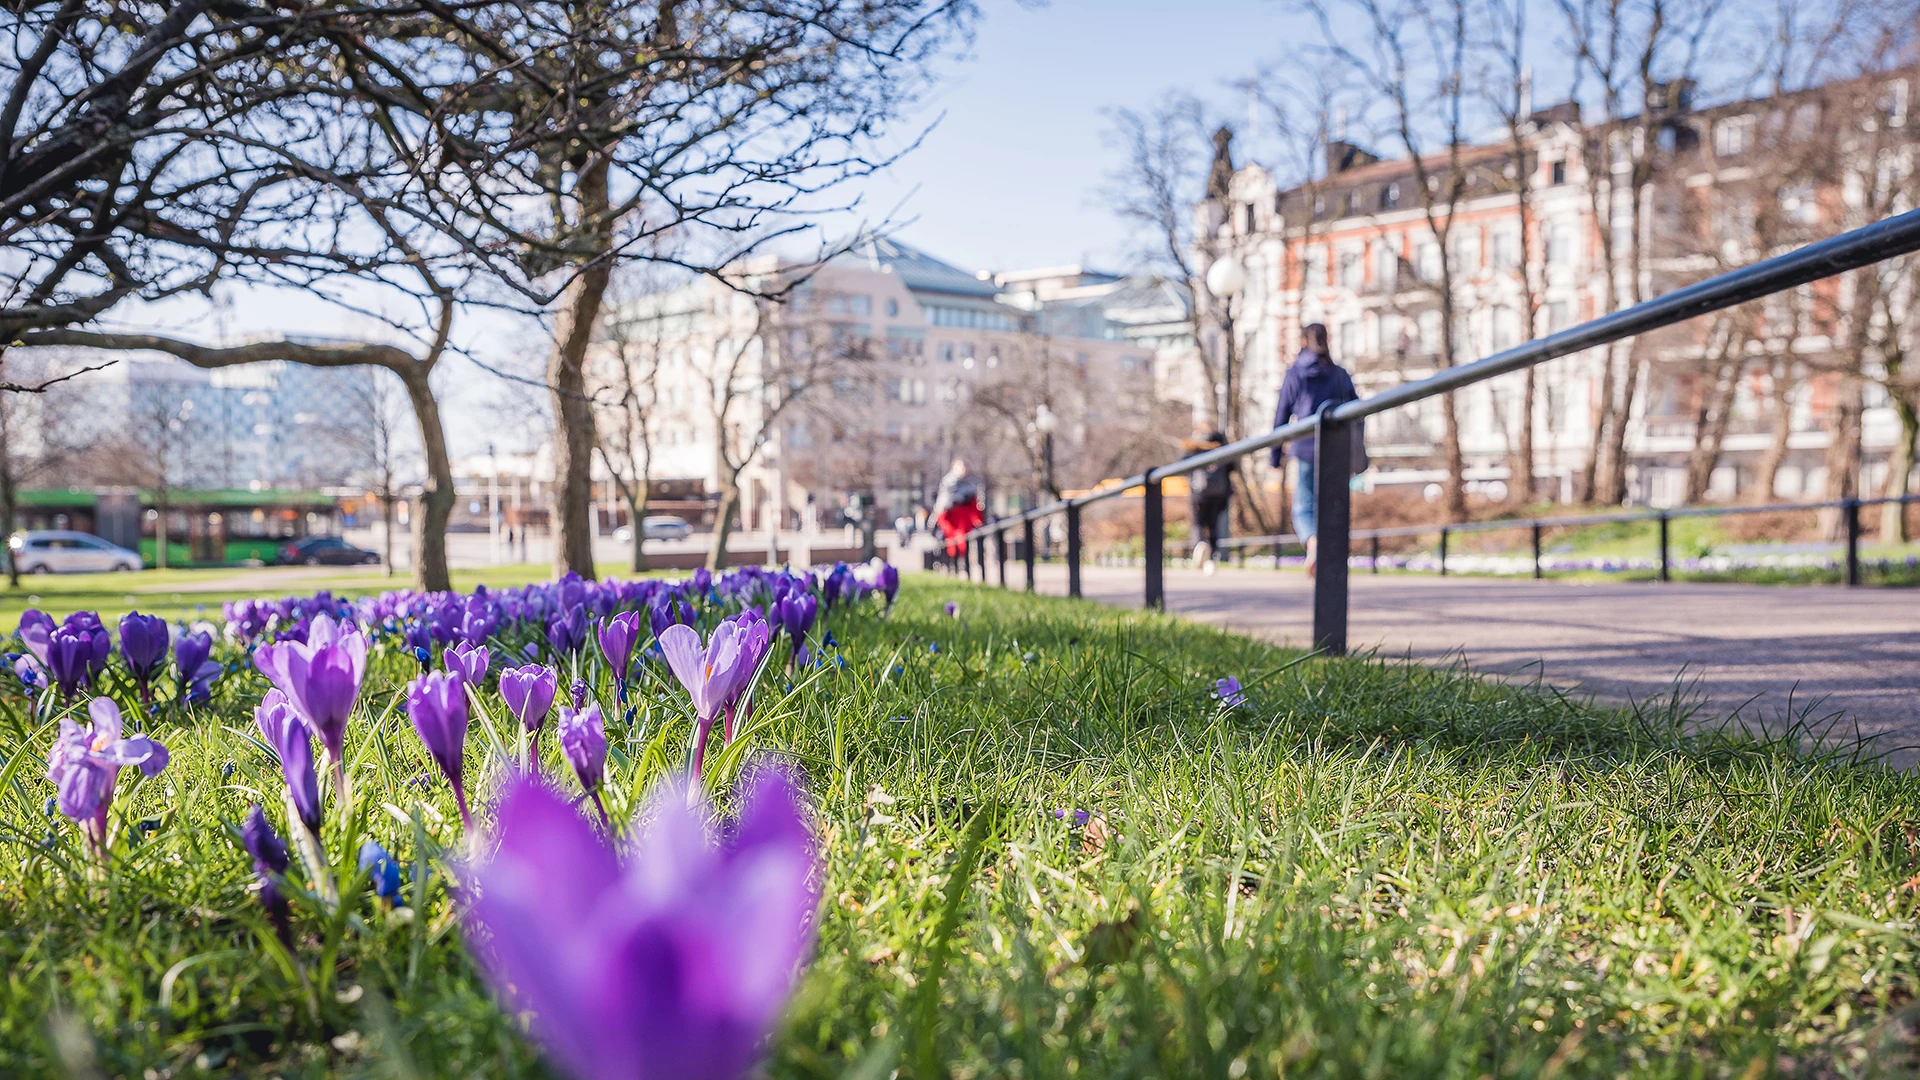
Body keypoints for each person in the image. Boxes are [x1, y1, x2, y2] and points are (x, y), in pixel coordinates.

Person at [1269, 322, 1358, 579]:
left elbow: (1282, 414)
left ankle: (1313, 542)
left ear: (1304, 341)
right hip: (1337, 449)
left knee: (1304, 506)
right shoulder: (1340, 374)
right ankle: (1328, 552)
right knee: (1331, 504)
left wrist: (1275, 454)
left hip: (1306, 446)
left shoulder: (1295, 373)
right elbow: (1357, 413)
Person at [1183, 430, 1234, 575]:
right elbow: (1232, 468)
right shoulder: (1223, 452)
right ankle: (1212, 558)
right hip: (1219, 494)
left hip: (1199, 493)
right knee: (1213, 525)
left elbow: (1182, 462)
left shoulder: (1195, 451)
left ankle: (1200, 544)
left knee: (1198, 523)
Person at [932, 458, 984, 568]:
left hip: (963, 520)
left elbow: (975, 506)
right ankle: (950, 564)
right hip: (950, 520)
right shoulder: (947, 483)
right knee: (951, 543)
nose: (963, 470)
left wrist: (978, 521)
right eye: (960, 467)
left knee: (963, 542)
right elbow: (942, 505)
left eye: (964, 467)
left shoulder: (970, 485)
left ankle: (961, 565)